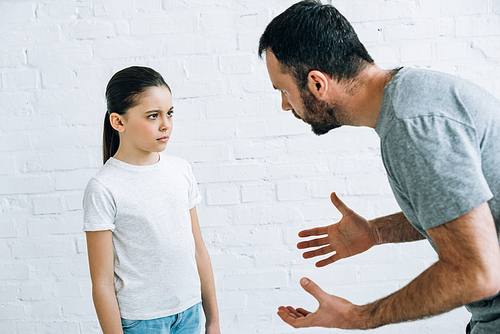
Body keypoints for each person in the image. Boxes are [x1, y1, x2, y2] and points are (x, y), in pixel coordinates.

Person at [258, 1, 500, 332]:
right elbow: (467, 215)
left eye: (284, 91)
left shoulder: (412, 126)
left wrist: (357, 317)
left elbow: (476, 274)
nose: (285, 105)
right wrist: (376, 232)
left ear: (317, 84)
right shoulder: (414, 96)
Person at [83, 66, 220, 334]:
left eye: (169, 113)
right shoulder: (103, 187)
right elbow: (101, 282)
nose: (165, 124)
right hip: (141, 322)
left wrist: (213, 320)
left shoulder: (180, 170)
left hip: (190, 312)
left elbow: (198, 249)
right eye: (152, 116)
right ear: (118, 122)